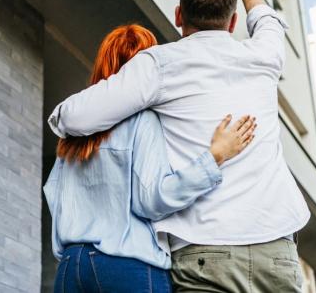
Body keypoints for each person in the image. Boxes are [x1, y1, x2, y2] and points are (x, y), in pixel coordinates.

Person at [48, 0, 310, 292]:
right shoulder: (265, 56)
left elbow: (75, 117)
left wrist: (63, 119)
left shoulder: (160, 65)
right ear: (232, 23)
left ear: (178, 16)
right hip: (276, 248)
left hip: (205, 253)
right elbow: (267, 20)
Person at [44, 24, 256, 293]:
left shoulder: (72, 134)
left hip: (71, 267)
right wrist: (214, 158)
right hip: (128, 264)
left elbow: (54, 195)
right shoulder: (143, 121)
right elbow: (153, 199)